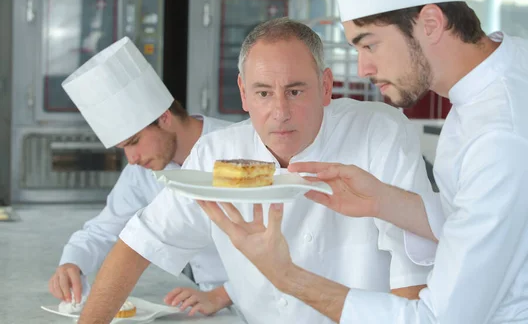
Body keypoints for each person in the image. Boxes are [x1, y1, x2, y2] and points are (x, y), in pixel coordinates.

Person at [199, 0, 528, 323]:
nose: (363, 67)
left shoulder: (503, 135)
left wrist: (284, 275)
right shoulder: (517, 65)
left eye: (370, 43)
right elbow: (476, 217)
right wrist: (385, 202)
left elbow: (435, 319)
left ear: (430, 23)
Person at [76, 18, 443, 324]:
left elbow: (410, 271)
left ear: (326, 86)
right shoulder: (218, 154)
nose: (280, 112)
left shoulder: (378, 134)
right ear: (244, 93)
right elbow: (140, 244)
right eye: (264, 93)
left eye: (296, 92)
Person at [48, 37, 233, 317]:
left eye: (134, 141)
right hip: (204, 306)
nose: (131, 158)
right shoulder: (143, 171)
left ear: (164, 118)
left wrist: (221, 295)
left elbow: (292, 245)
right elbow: (103, 230)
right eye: (124, 148)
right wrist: (72, 263)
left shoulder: (238, 148)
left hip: (266, 304)